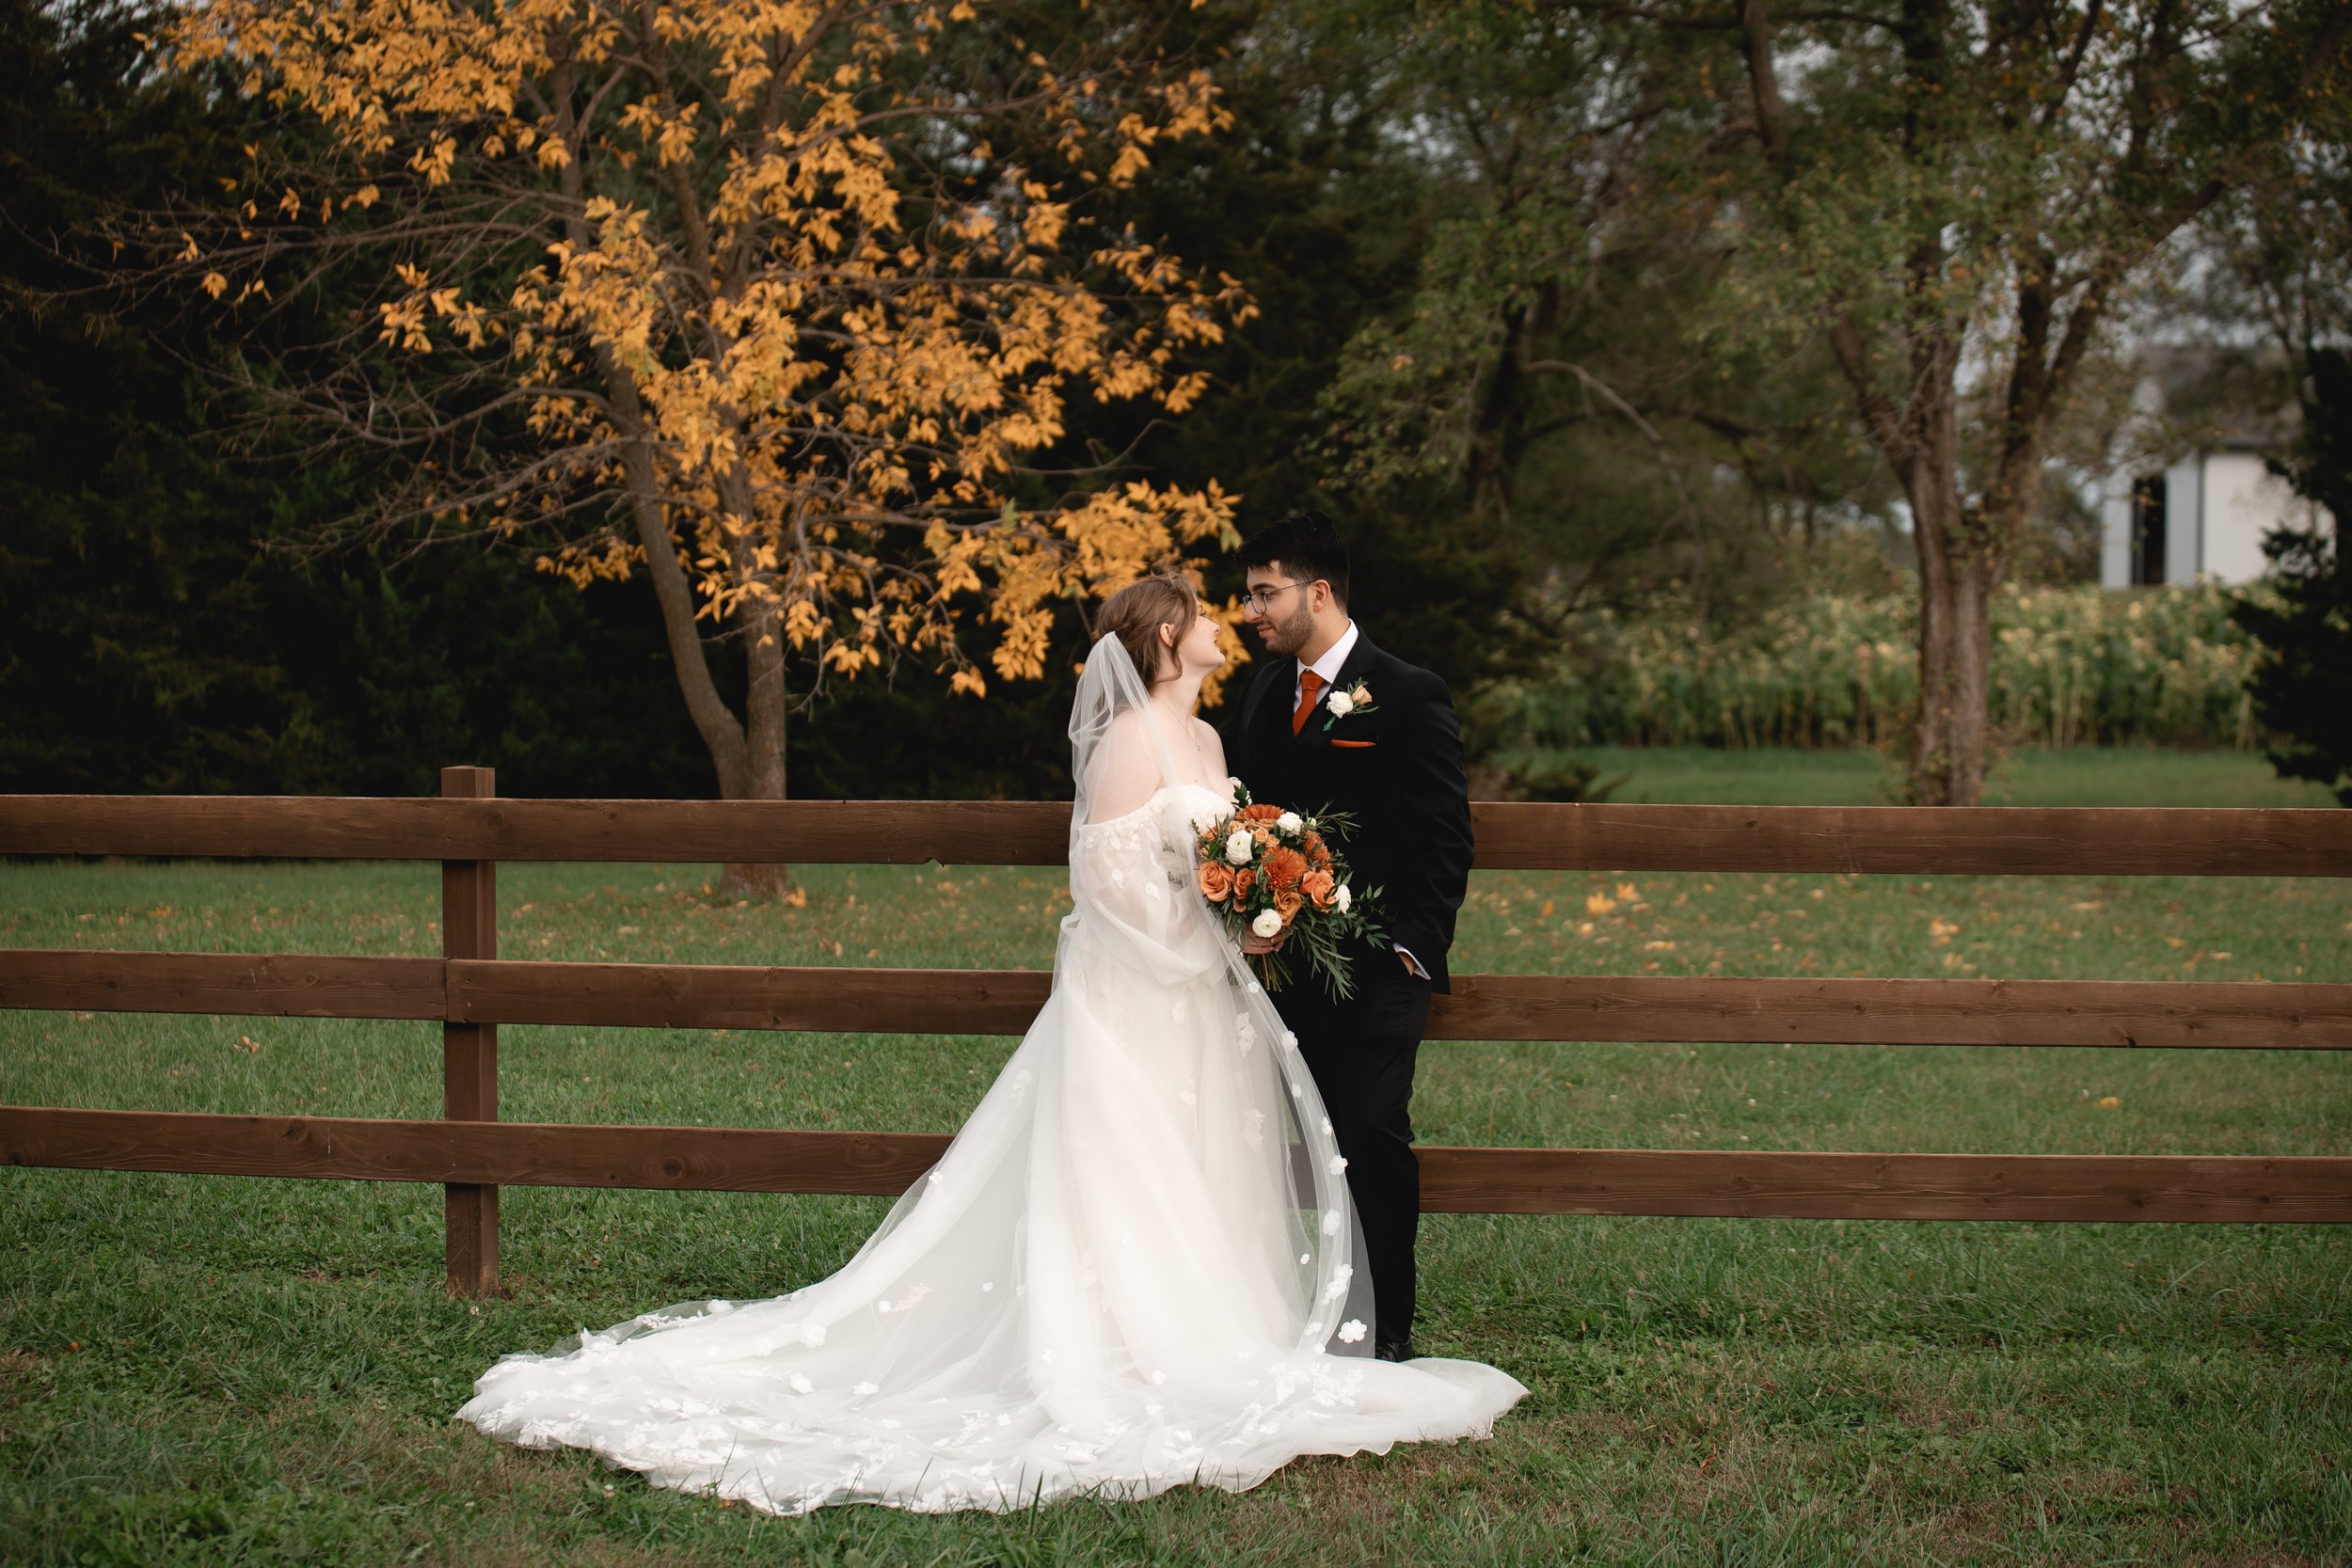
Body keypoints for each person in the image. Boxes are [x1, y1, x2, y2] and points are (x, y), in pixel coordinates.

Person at [455, 575, 1524, 1515]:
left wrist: (1259, 905)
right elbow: (1105, 885)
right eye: (1201, 615)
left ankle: (1211, 1329)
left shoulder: (1210, 736)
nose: (1221, 624)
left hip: (1212, 999)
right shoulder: (1125, 743)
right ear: (1162, 641)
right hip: (1142, 995)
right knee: (1125, 1166)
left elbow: (1232, 843)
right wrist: (1211, 934)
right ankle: (1118, 1347)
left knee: (1200, 1169)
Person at [1222, 512, 1475, 1364]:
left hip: (1375, 967)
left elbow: (1445, 836)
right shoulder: (1262, 692)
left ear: (1317, 591)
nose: (1252, 610)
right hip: (1276, 965)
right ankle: (1299, 1315)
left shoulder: (1406, 692)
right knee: (1277, 1140)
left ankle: (1385, 1331)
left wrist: (1414, 944)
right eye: (1251, 593)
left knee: (1369, 1133)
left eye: (1266, 593)